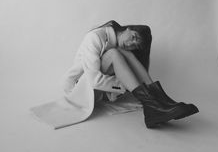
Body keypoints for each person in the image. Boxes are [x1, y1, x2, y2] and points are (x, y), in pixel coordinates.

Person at [63, 20, 199, 128]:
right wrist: (126, 86)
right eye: (134, 37)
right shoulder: (95, 37)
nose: (131, 43)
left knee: (124, 53)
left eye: (135, 45)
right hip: (78, 91)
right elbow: (94, 80)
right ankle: (151, 102)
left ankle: (161, 99)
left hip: (95, 89)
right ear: (127, 28)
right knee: (115, 53)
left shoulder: (114, 43)